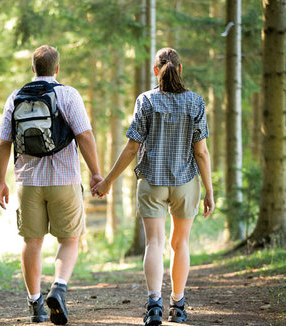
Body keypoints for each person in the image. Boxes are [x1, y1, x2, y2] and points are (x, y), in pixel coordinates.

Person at [93, 47, 215, 326]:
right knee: (180, 243)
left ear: (155, 71)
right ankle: (179, 306)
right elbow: (202, 153)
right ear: (180, 70)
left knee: (154, 243)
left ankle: (153, 307)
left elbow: (132, 147)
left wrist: (108, 181)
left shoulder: (145, 101)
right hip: (186, 183)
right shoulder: (195, 102)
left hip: (151, 182)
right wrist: (209, 191)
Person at [0, 45, 102, 325]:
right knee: (69, 240)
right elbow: (85, 136)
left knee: (32, 242)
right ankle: (58, 287)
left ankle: (35, 305)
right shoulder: (67, 94)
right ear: (57, 69)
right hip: (64, 180)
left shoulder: (15, 97)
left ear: (33, 68)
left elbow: (2, 143)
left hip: (28, 182)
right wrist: (95, 173)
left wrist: (0, 182)